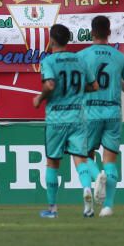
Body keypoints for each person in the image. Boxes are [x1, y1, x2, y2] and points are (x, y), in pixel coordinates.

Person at [32, 24, 99, 219]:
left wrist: (39, 97)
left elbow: (50, 84)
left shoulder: (49, 61)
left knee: (53, 162)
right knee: (81, 159)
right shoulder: (80, 60)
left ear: (52, 40)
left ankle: (52, 209)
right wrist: (77, 91)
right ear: (68, 40)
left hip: (57, 118)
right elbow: (94, 86)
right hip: (78, 117)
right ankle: (87, 190)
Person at [77, 15, 124, 217]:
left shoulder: (82, 56)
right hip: (113, 112)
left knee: (83, 156)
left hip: (90, 112)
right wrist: (116, 83)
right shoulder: (120, 57)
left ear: (92, 33)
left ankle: (97, 176)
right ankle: (108, 206)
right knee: (110, 160)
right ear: (109, 33)